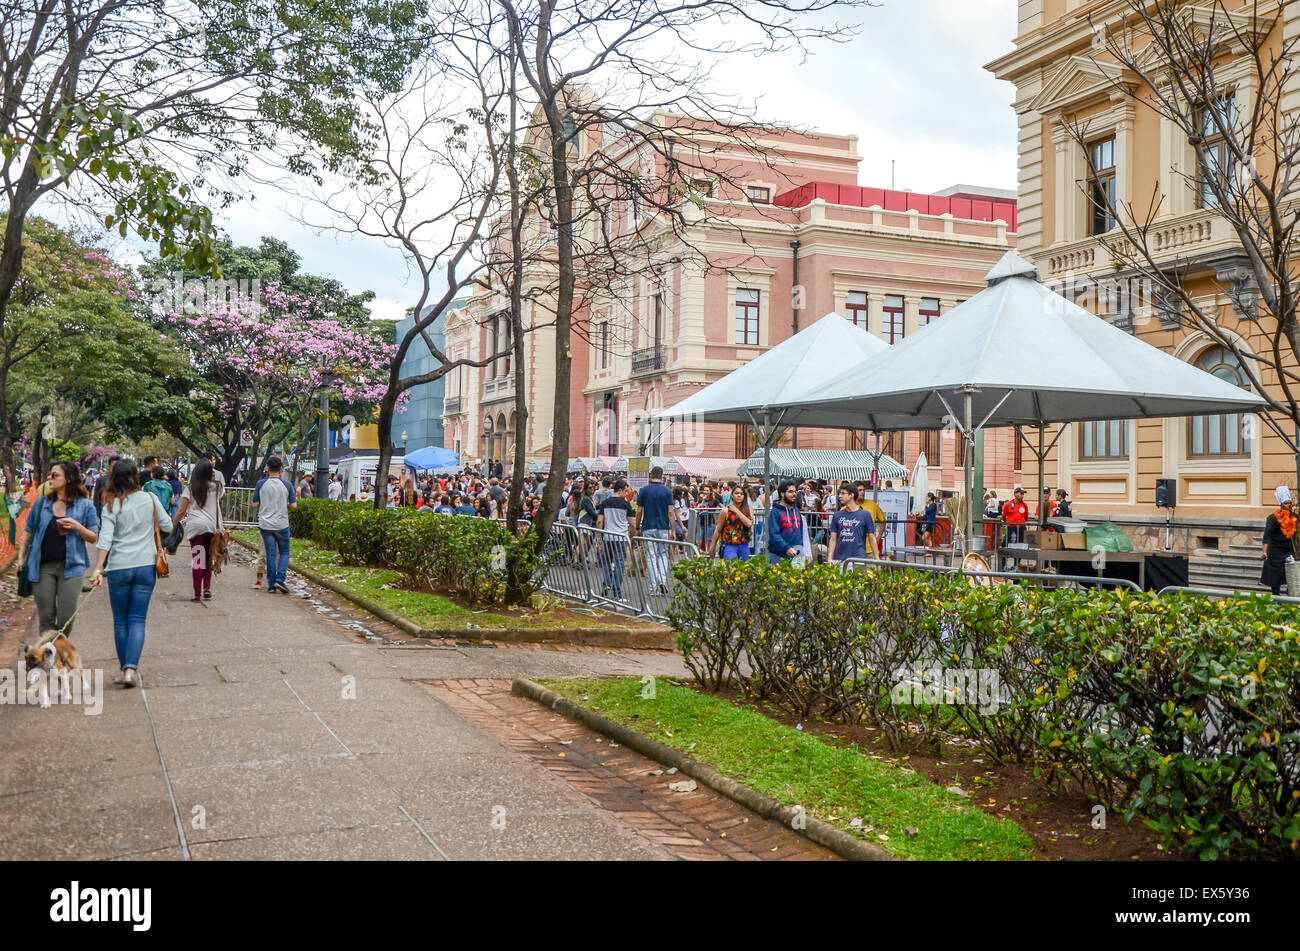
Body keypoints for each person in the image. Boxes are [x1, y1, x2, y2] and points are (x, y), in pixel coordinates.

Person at [89, 459, 174, 688]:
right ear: (136, 476)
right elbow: (167, 526)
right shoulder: (150, 499)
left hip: (118, 567)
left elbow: (105, 538)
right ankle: (130, 670)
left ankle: (123, 668)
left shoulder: (111, 505)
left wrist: (98, 569)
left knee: (120, 620)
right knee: (137, 619)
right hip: (146, 566)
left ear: (113, 477)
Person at [17, 461, 99, 637]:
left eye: (55, 475)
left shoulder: (85, 506)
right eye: (49, 475)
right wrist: (21, 558)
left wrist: (77, 526)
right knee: (46, 618)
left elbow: (93, 537)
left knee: (65, 620)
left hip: (72, 569)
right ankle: (48, 661)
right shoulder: (40, 504)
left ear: (68, 479)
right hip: (42, 568)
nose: (49, 478)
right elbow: (28, 531)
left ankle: (55, 651)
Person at [173, 460, 224, 603]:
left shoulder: (190, 488)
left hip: (196, 528)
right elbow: (221, 497)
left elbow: (182, 510)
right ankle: (207, 589)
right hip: (212, 528)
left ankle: (196, 594)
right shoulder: (217, 487)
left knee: (198, 560)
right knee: (208, 560)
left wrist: (172, 525)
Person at [253, 456, 297, 594]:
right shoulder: (287, 485)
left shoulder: (261, 484)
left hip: (265, 525)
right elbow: (294, 506)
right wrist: (286, 505)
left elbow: (255, 505)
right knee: (284, 552)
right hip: (282, 524)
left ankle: (271, 585)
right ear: (281, 470)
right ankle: (280, 579)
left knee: (270, 554)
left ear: (267, 469)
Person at [636, 466, 675, 593]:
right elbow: (670, 511)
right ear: (662, 475)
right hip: (663, 527)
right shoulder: (667, 491)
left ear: (651, 475)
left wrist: (637, 526)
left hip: (648, 526)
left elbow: (639, 511)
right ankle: (662, 579)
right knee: (663, 554)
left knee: (651, 556)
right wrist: (673, 529)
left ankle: (653, 586)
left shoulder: (644, 490)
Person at [596, 479, 636, 599]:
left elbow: (599, 521)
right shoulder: (626, 504)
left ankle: (607, 583)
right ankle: (617, 591)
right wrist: (631, 536)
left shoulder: (605, 503)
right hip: (621, 537)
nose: (626, 493)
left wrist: (599, 538)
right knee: (619, 564)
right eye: (625, 491)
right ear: (620, 490)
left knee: (606, 561)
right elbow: (632, 524)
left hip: (608, 536)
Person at [827, 483, 877, 565]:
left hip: (858, 558)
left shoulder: (865, 515)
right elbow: (833, 539)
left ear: (851, 495)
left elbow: (872, 537)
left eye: (843, 493)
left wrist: (877, 559)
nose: (839, 496)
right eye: (839, 493)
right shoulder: (837, 515)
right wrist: (830, 558)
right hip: (839, 558)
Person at [1261, 486, 1295, 595]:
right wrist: (1265, 552)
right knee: (1275, 576)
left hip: (1289, 550)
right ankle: (1276, 596)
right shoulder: (1272, 518)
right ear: (1281, 504)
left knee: (1292, 573)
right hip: (1275, 551)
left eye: (1289, 503)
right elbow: (1267, 536)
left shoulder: (1295, 517)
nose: (1288, 505)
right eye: (1285, 503)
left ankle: (1291, 593)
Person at [767, 481, 807, 565]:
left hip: (797, 556)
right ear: (782, 494)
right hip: (778, 556)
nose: (794, 494)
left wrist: (802, 550)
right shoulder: (775, 512)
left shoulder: (796, 510)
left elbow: (801, 533)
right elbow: (774, 534)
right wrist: (786, 548)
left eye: (795, 491)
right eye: (790, 492)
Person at [710, 485, 753, 560]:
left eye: (741, 494)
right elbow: (718, 530)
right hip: (729, 545)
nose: (739, 495)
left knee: (744, 569)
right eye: (736, 493)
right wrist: (712, 547)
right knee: (731, 568)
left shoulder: (749, 509)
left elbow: (749, 523)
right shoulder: (725, 511)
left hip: (744, 545)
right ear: (732, 495)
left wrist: (736, 511)